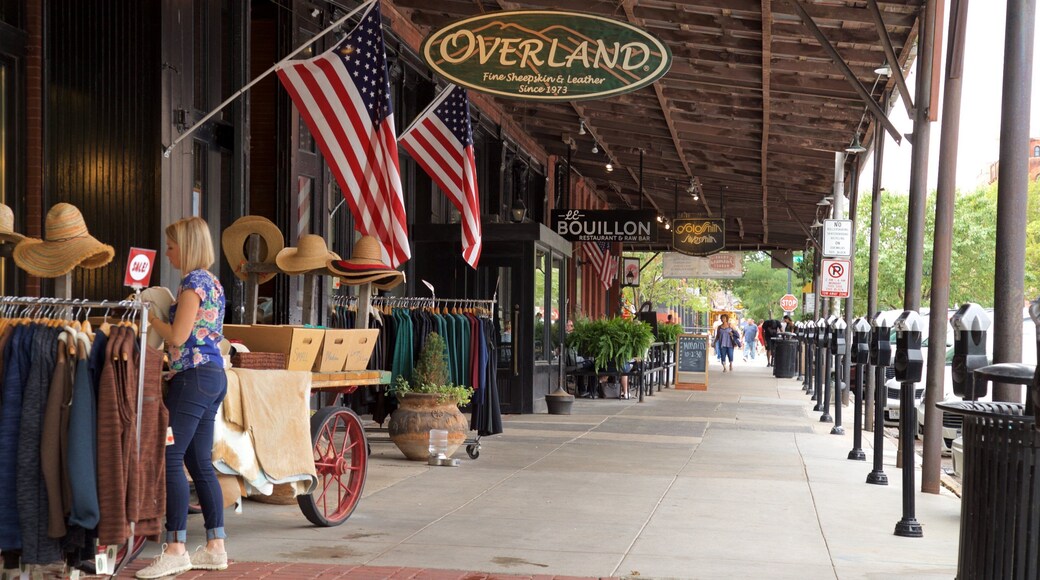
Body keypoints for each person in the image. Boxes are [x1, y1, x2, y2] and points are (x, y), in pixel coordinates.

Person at [137, 217, 228, 579]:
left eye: (172, 246)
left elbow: (176, 336)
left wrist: (150, 315)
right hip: (212, 377)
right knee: (199, 461)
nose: (169, 252)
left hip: (192, 379)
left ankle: (175, 547)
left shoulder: (193, 285)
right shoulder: (214, 284)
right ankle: (215, 546)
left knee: (169, 454)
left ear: (187, 246)